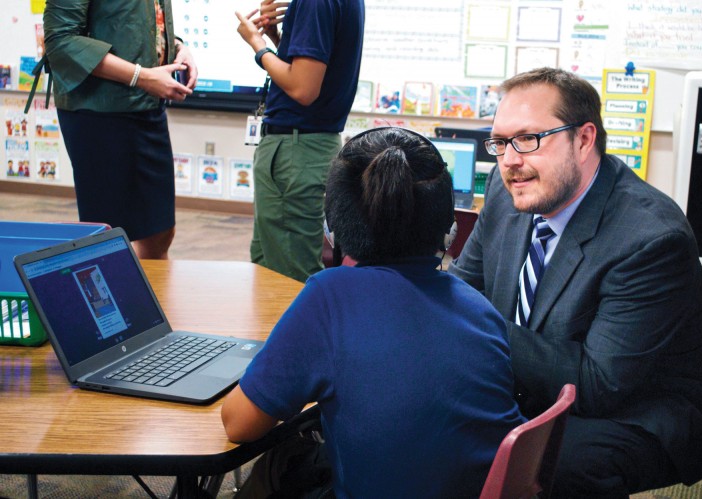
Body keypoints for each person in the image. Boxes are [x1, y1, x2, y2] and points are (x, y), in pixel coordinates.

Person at [449, 68, 702, 498]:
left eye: (528, 139)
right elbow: (464, 289)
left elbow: (599, 384)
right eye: (500, 142)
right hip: (543, 372)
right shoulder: (507, 187)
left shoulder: (651, 238)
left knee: (555, 463)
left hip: (639, 405)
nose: (508, 160)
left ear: (583, 140)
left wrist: (472, 323)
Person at [221, 127, 525, 498]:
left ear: (333, 226)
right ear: (449, 230)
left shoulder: (329, 297)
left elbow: (238, 424)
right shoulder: (479, 308)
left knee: (278, 463)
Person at [43, 0, 197, 259]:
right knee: (106, 234)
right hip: (99, 110)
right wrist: (142, 76)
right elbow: (60, 40)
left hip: (146, 104)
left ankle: (144, 296)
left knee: (159, 230)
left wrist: (179, 47)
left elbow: (139, 23)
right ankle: (108, 296)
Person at [235, 0, 364, 282]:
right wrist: (277, 38)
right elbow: (311, 70)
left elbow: (303, 89)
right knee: (270, 264)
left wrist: (257, 45)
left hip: (296, 150)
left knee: (288, 275)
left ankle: (297, 329)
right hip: (306, 146)